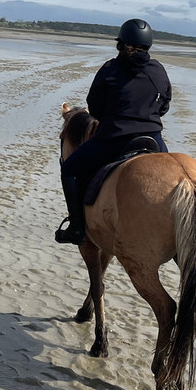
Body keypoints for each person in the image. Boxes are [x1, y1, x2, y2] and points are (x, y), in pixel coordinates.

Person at [55, 18, 171, 245]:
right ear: (148, 45)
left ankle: (77, 228)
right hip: (153, 139)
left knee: (68, 170)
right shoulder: (158, 70)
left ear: (121, 43)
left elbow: (95, 107)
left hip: (115, 138)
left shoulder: (110, 68)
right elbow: (164, 106)